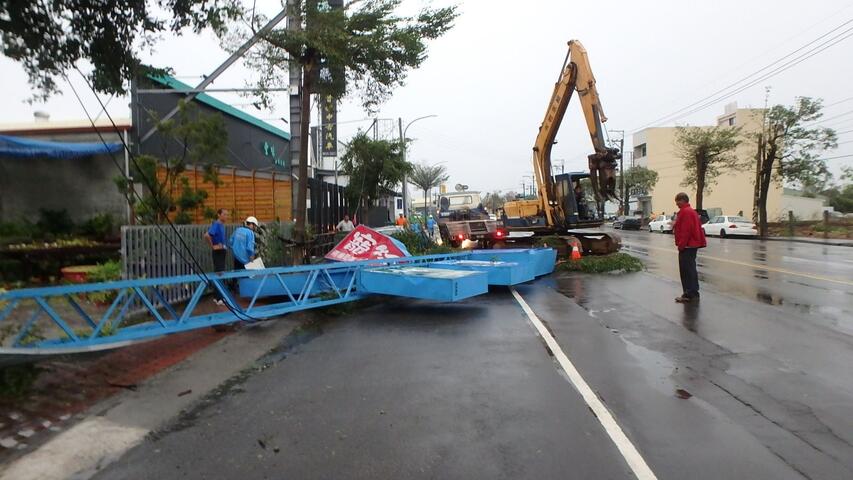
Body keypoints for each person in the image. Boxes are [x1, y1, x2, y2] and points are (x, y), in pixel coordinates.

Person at [673, 192, 706, 303]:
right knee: (691, 269)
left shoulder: (685, 212)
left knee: (686, 270)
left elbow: (686, 230)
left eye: (678, 201)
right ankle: (693, 292)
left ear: (683, 200)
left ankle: (689, 294)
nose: (677, 204)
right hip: (691, 245)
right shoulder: (690, 211)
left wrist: (681, 245)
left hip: (687, 245)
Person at [204, 208, 228, 273]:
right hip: (218, 252)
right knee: (219, 272)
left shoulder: (221, 225)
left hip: (222, 250)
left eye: (227, 215)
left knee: (222, 271)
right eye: (224, 214)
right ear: (219, 215)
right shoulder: (216, 224)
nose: (226, 216)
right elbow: (207, 235)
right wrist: (212, 246)